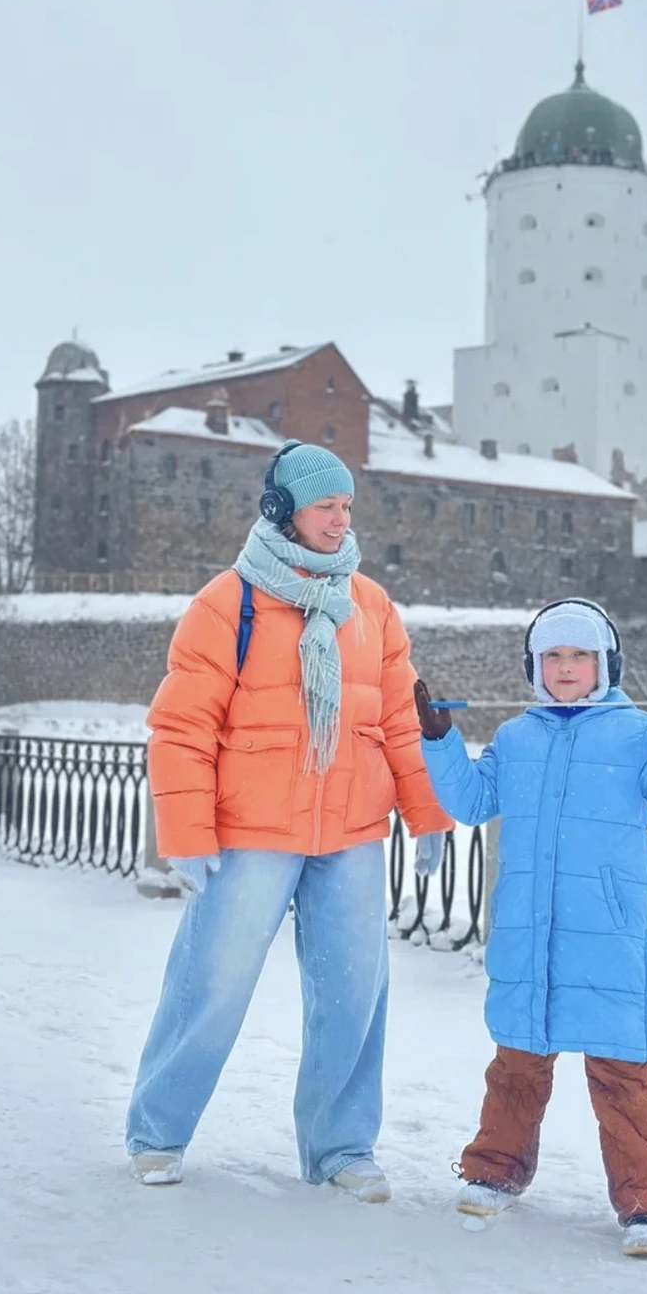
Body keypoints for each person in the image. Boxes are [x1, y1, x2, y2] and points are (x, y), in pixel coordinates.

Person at [126, 439, 452, 1202]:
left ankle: (340, 1147)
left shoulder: (371, 607)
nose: (340, 521)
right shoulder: (227, 601)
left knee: (353, 994)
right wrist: (186, 834)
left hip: (353, 832)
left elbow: (400, 720)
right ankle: (158, 1130)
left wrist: (428, 813)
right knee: (213, 981)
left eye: (346, 507)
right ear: (282, 510)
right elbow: (182, 727)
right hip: (252, 830)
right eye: (324, 506)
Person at [414, 598, 647, 1258]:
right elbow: (470, 800)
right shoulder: (516, 738)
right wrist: (439, 742)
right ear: (534, 665)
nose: (565, 667)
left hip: (607, 934)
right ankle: (493, 1169)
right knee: (516, 1064)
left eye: (579, 655)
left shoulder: (638, 734)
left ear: (604, 663)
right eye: (552, 656)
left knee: (621, 1071)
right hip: (531, 932)